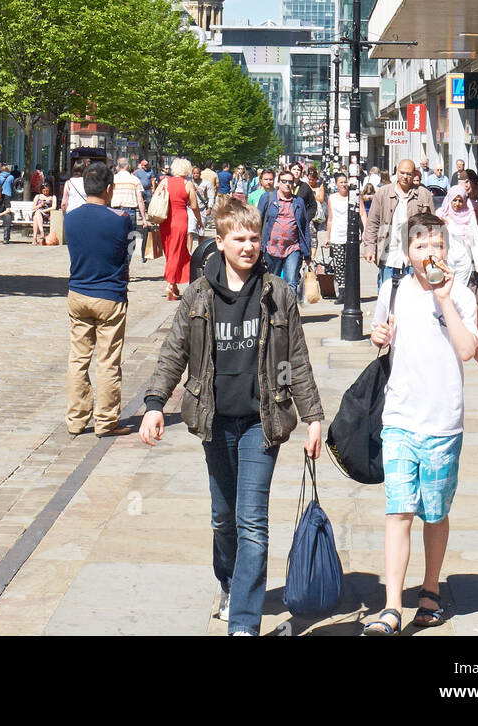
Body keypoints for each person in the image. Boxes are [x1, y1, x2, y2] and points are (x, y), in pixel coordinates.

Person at [140, 196, 324, 637]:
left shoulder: (278, 293)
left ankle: (244, 624)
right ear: (219, 242)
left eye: (254, 238)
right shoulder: (199, 294)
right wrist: (153, 405)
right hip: (215, 420)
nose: (248, 246)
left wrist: (313, 416)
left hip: (263, 421)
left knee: (252, 522)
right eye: (239, 239)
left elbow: (296, 358)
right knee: (223, 518)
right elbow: (174, 352)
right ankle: (227, 582)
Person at [362, 211, 478, 635]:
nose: (429, 252)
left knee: (435, 512)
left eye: (437, 245)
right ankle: (392, 605)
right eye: (420, 244)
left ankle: (430, 590)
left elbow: (468, 350)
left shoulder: (461, 295)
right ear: (407, 250)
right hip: (398, 418)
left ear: (448, 250)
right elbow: (380, 333)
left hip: (444, 422)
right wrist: (378, 337)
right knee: (399, 511)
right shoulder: (392, 290)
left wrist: (444, 298)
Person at [64, 162, 133, 438]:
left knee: (77, 359)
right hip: (109, 295)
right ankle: (106, 421)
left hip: (78, 292)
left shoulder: (70, 218)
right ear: (109, 188)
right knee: (107, 360)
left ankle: (76, 419)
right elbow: (128, 253)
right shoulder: (121, 219)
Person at [361, 159, 435, 286]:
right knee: (387, 294)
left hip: (414, 255)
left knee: (413, 294)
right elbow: (372, 223)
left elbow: (433, 227)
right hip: (389, 252)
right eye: (402, 173)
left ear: (414, 175)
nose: (405, 177)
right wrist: (369, 248)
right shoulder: (383, 193)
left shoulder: (424, 194)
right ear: (396, 172)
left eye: (409, 174)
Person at [258, 169, 311, 297]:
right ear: (278, 183)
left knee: (291, 282)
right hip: (272, 248)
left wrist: (307, 253)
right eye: (284, 181)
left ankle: (290, 313)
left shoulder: (298, 202)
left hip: (292, 248)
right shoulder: (267, 198)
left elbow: (304, 227)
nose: (287, 184)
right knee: (272, 282)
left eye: (290, 182)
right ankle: (273, 312)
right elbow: (257, 221)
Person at [159, 158, 202, 302]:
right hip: (180, 219)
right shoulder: (187, 184)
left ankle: (174, 285)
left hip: (165, 220)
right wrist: (200, 221)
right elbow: (194, 206)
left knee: (172, 252)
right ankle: (170, 284)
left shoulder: (165, 181)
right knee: (176, 251)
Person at [436, 184, 478, 291]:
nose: (457, 204)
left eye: (460, 200)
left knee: (459, 291)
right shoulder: (441, 215)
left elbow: (475, 239)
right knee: (446, 290)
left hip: (463, 260)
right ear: (449, 199)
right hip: (446, 261)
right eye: (454, 200)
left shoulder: (469, 216)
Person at [323, 171, 353, 303]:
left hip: (351, 235)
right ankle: (342, 292)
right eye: (341, 182)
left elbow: (363, 213)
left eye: (345, 182)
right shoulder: (332, 198)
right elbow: (330, 218)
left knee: (351, 264)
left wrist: (365, 231)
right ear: (336, 184)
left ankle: (351, 291)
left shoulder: (353, 196)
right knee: (339, 265)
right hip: (337, 235)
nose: (344, 184)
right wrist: (327, 237)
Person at [111, 157, 149, 236]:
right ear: (128, 166)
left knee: (115, 239)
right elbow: (140, 200)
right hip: (130, 212)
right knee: (130, 240)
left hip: (114, 211)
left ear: (118, 167)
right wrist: (144, 219)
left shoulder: (112, 179)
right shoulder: (135, 180)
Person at [31, 180, 55, 244]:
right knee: (37, 214)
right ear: (41, 190)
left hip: (47, 214)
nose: (45, 192)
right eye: (44, 191)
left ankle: (34, 239)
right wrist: (40, 205)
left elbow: (54, 207)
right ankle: (42, 232)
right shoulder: (38, 196)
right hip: (38, 213)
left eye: (47, 190)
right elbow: (33, 207)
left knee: (36, 217)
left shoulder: (52, 197)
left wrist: (44, 210)